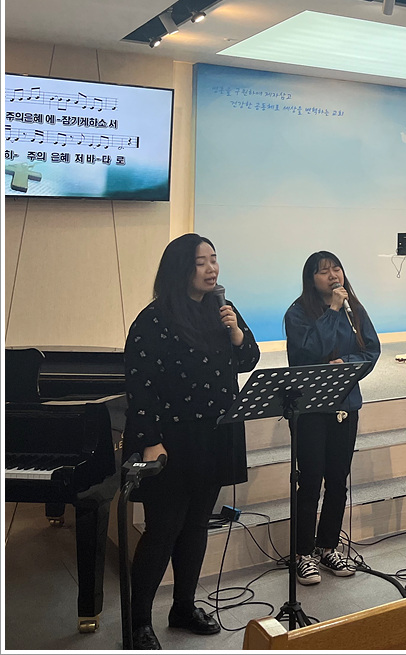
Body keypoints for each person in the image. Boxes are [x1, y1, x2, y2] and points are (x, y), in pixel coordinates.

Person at [123, 234, 260, 650]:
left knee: (197, 524)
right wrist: (150, 441)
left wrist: (236, 332)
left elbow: (248, 359)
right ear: (180, 268)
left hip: (215, 433)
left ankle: (182, 606)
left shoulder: (223, 310)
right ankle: (137, 622)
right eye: (201, 262)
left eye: (214, 259)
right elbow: (140, 387)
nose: (211, 268)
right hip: (170, 439)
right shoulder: (153, 319)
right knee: (163, 529)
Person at [283, 251, 381, 585]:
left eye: (336, 269)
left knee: (338, 480)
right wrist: (334, 310)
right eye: (323, 272)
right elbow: (312, 351)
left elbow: (371, 350)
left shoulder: (356, 309)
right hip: (311, 408)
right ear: (311, 279)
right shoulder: (297, 313)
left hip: (345, 403)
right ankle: (302, 553)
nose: (332, 276)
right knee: (310, 480)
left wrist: (349, 365)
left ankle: (328, 547)